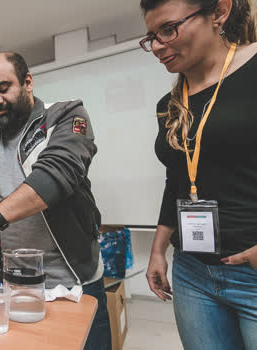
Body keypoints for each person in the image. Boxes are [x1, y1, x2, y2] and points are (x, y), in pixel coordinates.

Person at [0, 52, 111, 349]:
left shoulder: (67, 114)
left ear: (28, 82)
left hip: (73, 280)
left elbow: (58, 173)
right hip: (14, 285)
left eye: (3, 88)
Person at [141, 0, 257, 348]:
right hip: (192, 273)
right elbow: (176, 181)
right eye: (151, 37)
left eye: (168, 29)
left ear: (218, 12)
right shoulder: (170, 103)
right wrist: (159, 250)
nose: (158, 45)